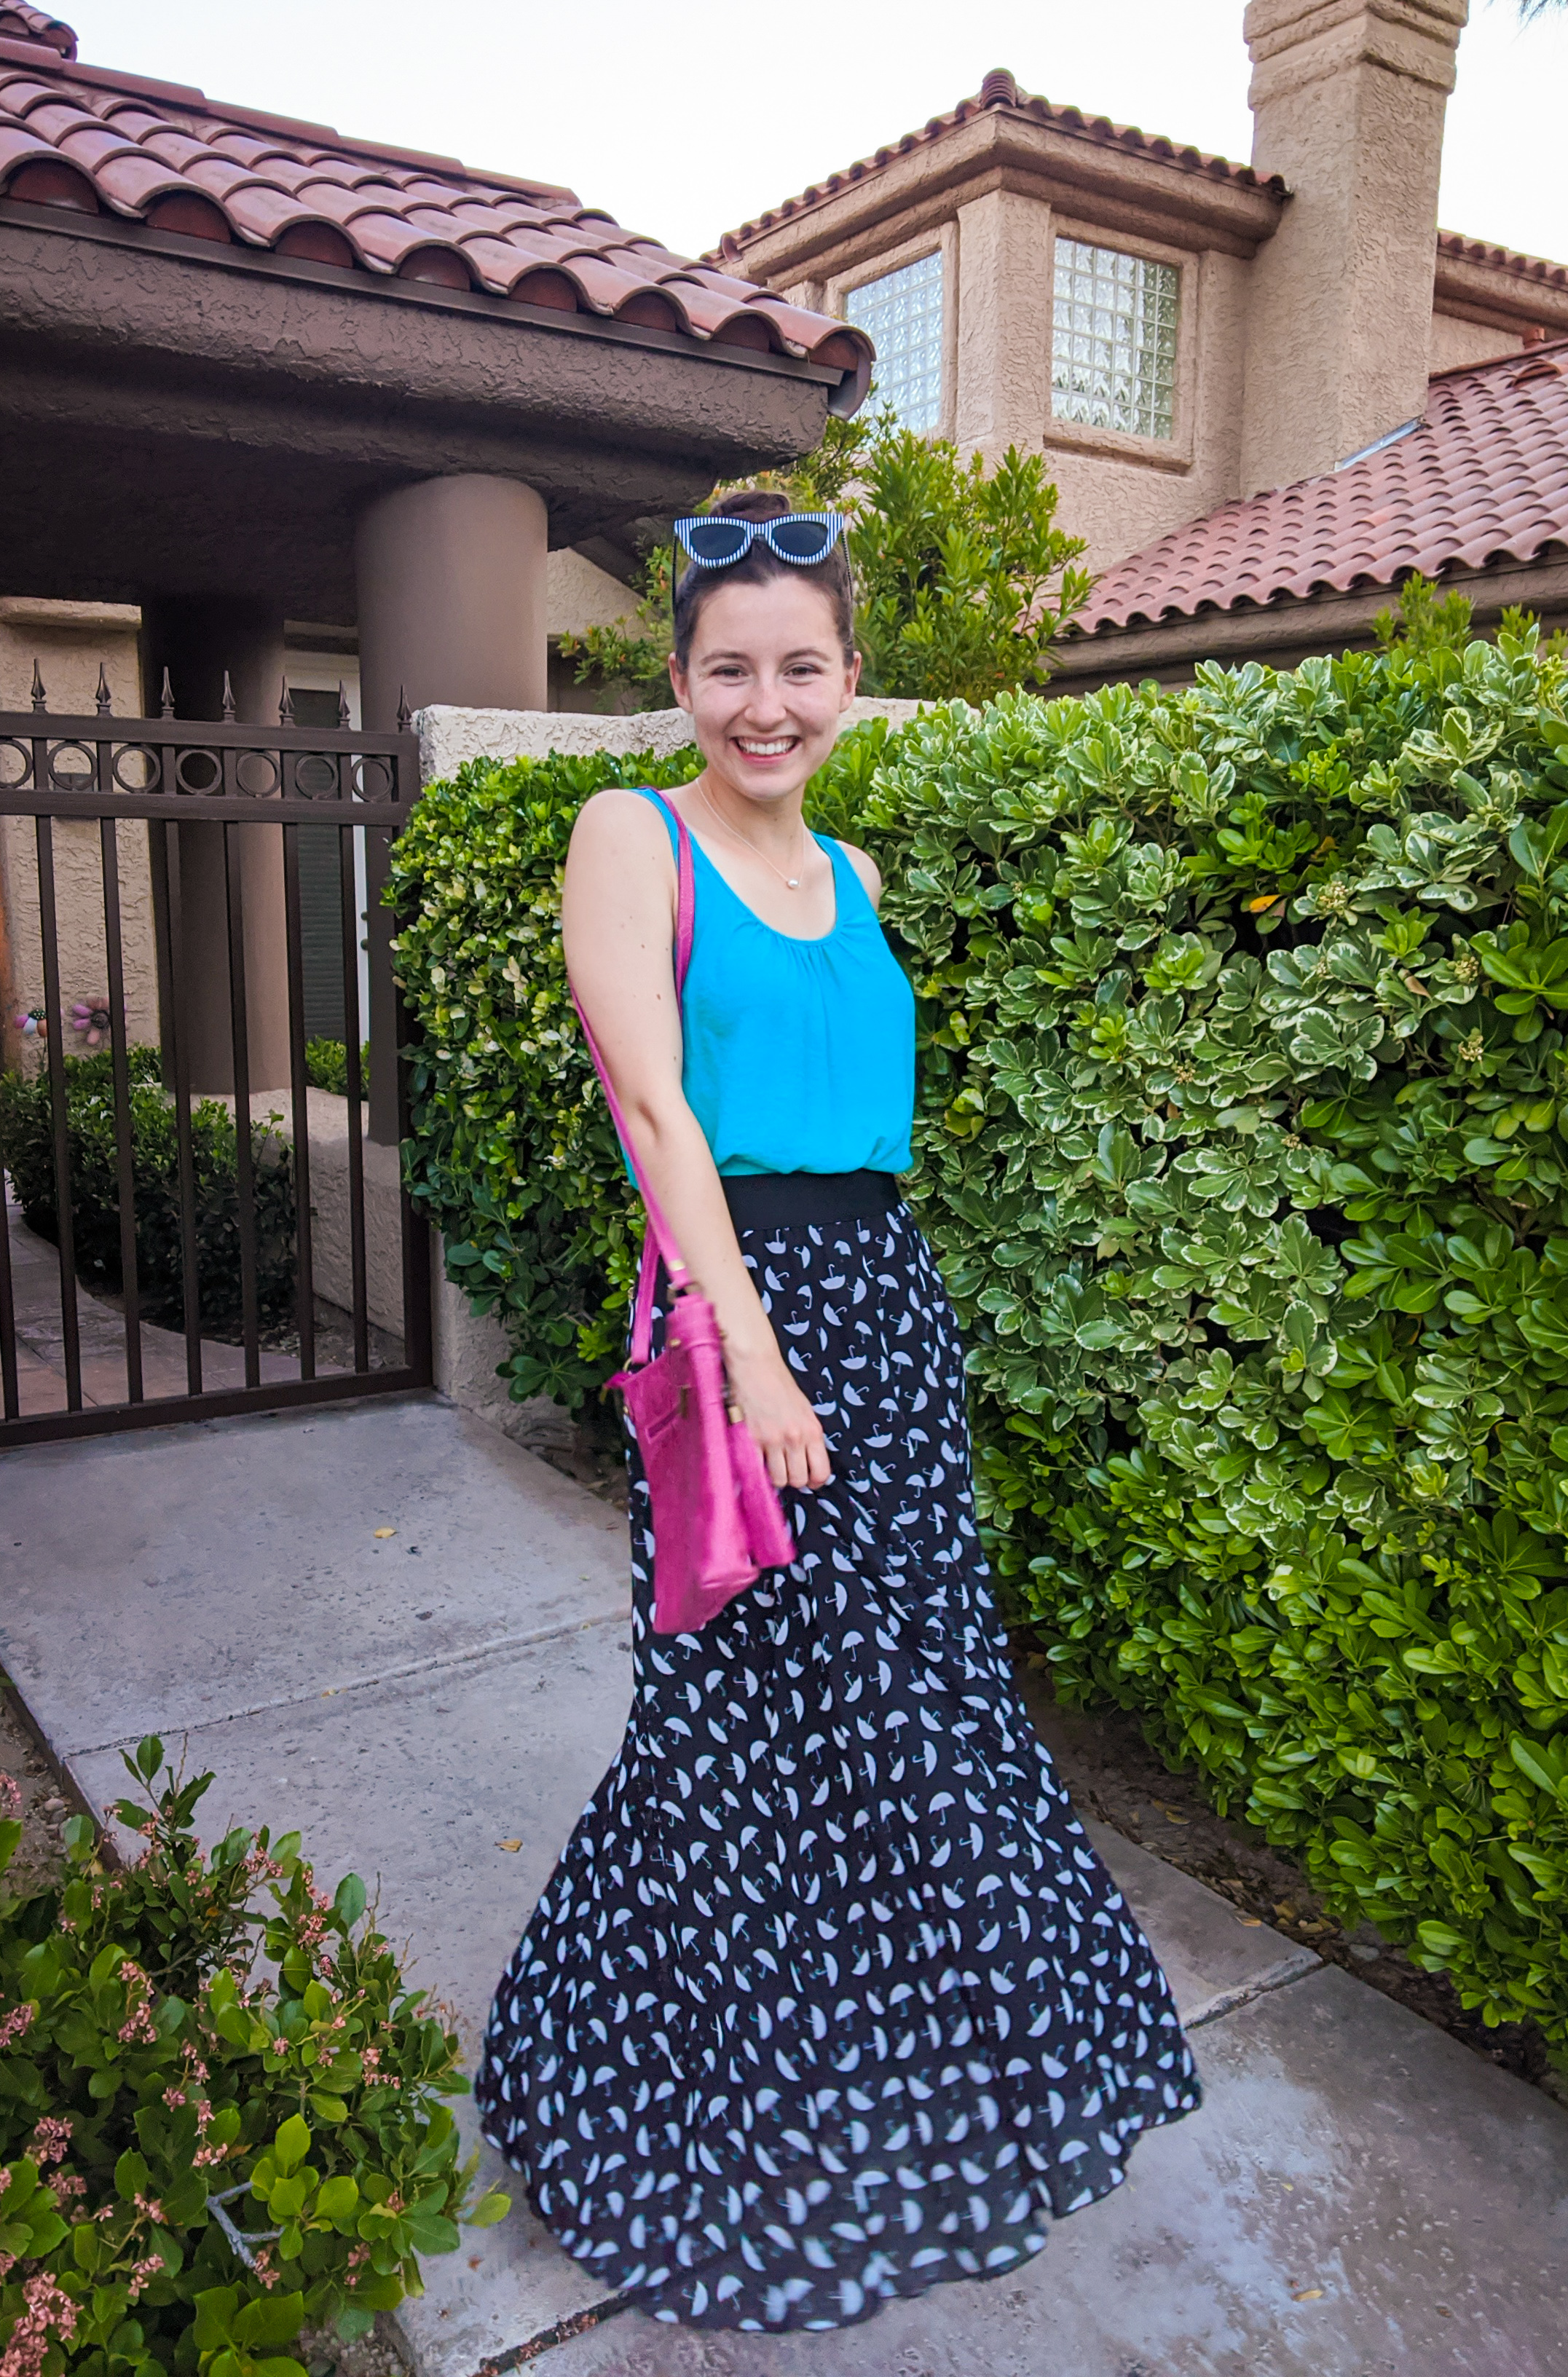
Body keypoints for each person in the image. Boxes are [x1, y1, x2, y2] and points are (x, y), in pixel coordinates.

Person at [474, 490, 1199, 2333]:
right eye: (732, 670)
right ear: (683, 680)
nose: (766, 703)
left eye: (801, 668)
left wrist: (859, 1344)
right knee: (741, 1715)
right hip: (749, 1334)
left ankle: (924, 2079)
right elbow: (660, 1119)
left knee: (920, 1701)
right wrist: (760, 1354)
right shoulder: (627, 837)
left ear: (853, 680)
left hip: (887, 1310)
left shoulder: (858, 876)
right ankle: (699, 2107)